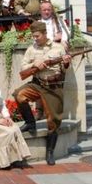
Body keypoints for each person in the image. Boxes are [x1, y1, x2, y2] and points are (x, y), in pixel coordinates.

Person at [13, 21, 71, 165]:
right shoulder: (31, 49)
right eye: (33, 36)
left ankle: (50, 152)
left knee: (53, 121)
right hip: (37, 83)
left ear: (45, 34)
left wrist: (66, 62)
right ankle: (30, 123)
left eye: (37, 35)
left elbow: (65, 69)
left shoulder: (58, 48)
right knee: (19, 94)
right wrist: (35, 64)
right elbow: (23, 67)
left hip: (53, 86)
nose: (35, 38)